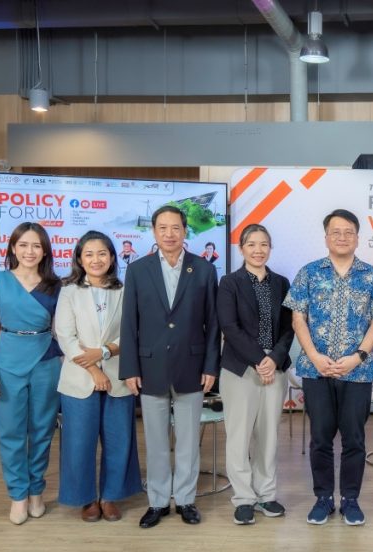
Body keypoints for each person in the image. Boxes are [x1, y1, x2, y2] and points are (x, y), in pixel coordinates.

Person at [284, 209, 373, 526]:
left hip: (357, 371)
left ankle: (351, 499)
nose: (342, 237)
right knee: (319, 438)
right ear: (326, 236)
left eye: (348, 232)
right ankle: (322, 498)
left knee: (355, 439)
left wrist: (358, 355)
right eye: (336, 231)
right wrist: (315, 356)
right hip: (316, 369)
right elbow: (297, 318)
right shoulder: (309, 273)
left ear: (358, 237)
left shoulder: (371, 276)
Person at [120, 206, 220, 529]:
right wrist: (130, 368)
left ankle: (187, 500)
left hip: (192, 366)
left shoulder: (204, 270)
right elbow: (128, 324)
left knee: (189, 439)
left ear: (185, 231)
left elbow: (213, 324)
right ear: (153, 232)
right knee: (156, 438)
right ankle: (159, 501)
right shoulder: (138, 270)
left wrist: (210, 366)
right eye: (162, 228)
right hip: (150, 368)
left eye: (175, 227)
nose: (169, 234)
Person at [55, 230, 143, 522]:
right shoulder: (69, 291)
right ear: (79, 258)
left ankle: (110, 497)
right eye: (89, 254)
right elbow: (65, 337)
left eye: (102, 253)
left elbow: (132, 332)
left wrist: (103, 354)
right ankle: (86, 499)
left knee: (119, 440)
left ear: (112, 257)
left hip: (119, 375)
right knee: (78, 442)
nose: (96, 259)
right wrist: (93, 369)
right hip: (79, 378)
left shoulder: (125, 289)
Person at [0, 222, 62, 524]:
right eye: (23, 245)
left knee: (42, 431)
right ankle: (18, 495)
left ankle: (37, 491)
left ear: (45, 251)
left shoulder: (56, 285)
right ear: (13, 248)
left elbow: (59, 331)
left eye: (36, 246)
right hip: (7, 361)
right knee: (11, 432)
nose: (30, 251)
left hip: (47, 360)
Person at [217, 224, 294, 525]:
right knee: (239, 436)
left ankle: (267, 494)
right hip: (240, 370)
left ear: (270, 248)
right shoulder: (230, 282)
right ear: (242, 248)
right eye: (252, 244)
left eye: (264, 244)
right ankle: (244, 498)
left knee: (269, 436)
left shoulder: (281, 283)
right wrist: (259, 360)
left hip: (274, 370)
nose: (258, 250)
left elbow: (289, 328)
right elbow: (229, 327)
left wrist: (273, 360)